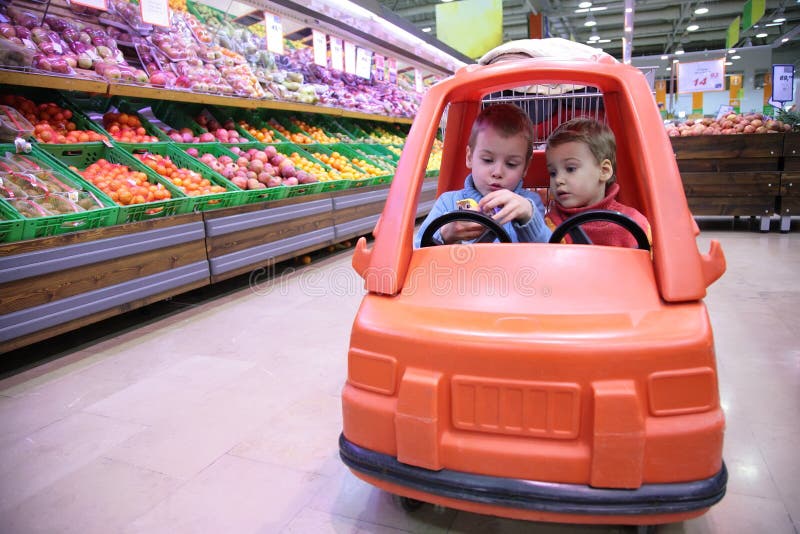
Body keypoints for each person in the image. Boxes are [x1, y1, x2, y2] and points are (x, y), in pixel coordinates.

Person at [414, 103, 551, 247]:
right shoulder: (448, 203)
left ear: (525, 168)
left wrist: (528, 217)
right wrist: (444, 234)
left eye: (511, 164)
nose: (497, 172)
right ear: (469, 157)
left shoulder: (529, 203)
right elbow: (417, 250)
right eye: (487, 160)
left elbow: (549, 252)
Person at [544, 117, 651, 248]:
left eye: (570, 169)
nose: (558, 180)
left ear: (604, 171)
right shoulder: (551, 224)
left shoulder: (635, 224)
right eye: (553, 173)